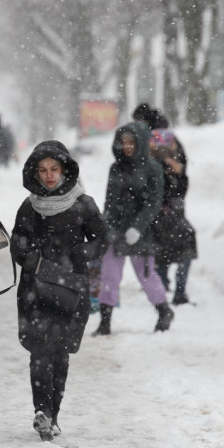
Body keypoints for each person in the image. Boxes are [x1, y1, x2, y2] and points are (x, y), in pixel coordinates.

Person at [11, 141, 107, 441]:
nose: (49, 176)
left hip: (69, 288)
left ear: (65, 170)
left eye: (54, 169)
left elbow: (102, 239)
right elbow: (18, 241)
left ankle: (54, 414)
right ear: (34, 173)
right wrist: (30, 258)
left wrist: (81, 253)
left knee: (60, 354)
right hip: (35, 289)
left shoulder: (83, 203)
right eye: (43, 170)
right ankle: (42, 412)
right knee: (40, 352)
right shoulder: (29, 207)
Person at [94, 121, 174, 335]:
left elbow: (154, 202)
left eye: (131, 142)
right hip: (116, 230)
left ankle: (164, 310)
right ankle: (105, 322)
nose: (127, 146)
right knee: (110, 275)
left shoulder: (153, 168)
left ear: (140, 143)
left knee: (146, 275)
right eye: (124, 142)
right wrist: (107, 227)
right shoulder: (116, 168)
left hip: (142, 231)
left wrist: (138, 227)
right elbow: (109, 201)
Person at [148, 128, 197, 305]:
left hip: (176, 219)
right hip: (158, 221)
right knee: (163, 257)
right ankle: (162, 295)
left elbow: (180, 192)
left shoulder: (176, 166)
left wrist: (177, 171)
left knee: (183, 254)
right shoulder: (150, 168)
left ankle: (178, 293)